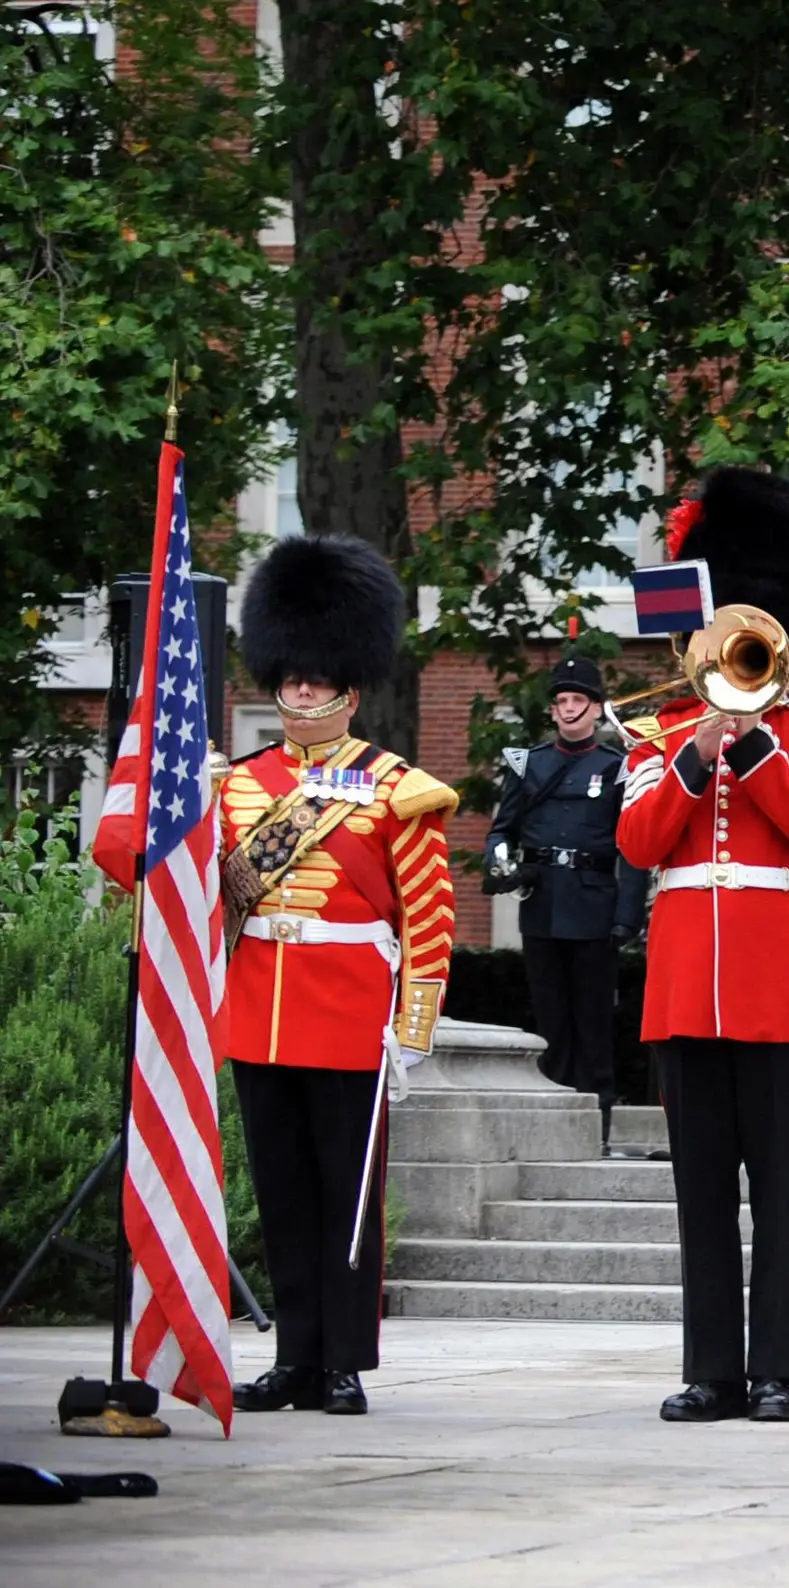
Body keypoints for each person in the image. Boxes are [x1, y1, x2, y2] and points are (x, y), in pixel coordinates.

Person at [126, 536, 455, 1416]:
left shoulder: (396, 789)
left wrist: (413, 1027)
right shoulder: (235, 787)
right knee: (283, 1195)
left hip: (349, 1015)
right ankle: (295, 1356)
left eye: (318, 681)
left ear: (350, 686)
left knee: (348, 1198)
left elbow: (428, 918)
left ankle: (343, 1359)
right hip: (261, 1012)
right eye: (294, 680)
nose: (303, 694)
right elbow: (201, 901)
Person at [618, 466, 789, 1423]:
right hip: (685, 989)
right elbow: (639, 843)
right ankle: (711, 1369)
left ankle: (779, 1369)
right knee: (701, 1192)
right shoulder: (659, 734)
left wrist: (753, 744)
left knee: (784, 1188)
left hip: (778, 988)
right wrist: (695, 753)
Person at [489, 652, 634, 1122]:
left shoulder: (617, 767)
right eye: (562, 701)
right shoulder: (528, 763)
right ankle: (553, 1112)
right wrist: (500, 863)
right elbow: (502, 831)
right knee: (549, 1014)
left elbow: (632, 847)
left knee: (593, 1016)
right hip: (542, 901)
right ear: (552, 711)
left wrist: (627, 916)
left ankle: (597, 1114)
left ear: (597, 709)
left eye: (578, 700)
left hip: (594, 905)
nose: (569, 708)